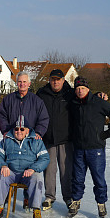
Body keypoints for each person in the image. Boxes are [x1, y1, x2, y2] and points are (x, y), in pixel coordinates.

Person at [0, 71, 49, 209]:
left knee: (29, 166)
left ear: (29, 84)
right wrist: (6, 130)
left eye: (24, 82)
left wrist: (38, 132)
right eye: (19, 82)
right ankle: (5, 198)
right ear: (16, 83)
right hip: (13, 136)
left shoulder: (36, 101)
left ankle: (28, 199)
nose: (22, 84)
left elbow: (43, 118)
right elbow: (1, 114)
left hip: (30, 138)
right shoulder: (8, 99)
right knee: (11, 165)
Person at [68, 76, 110, 218]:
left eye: (82, 88)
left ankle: (101, 203)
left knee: (98, 178)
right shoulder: (73, 103)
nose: (80, 91)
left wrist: (108, 133)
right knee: (77, 178)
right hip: (78, 148)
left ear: (88, 89)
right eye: (77, 89)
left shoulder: (98, 102)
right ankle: (75, 202)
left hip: (95, 149)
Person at [0, 115, 50, 218]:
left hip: (28, 173)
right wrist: (3, 165)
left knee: (37, 177)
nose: (19, 131)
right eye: (16, 129)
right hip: (11, 173)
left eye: (22, 129)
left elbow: (45, 158)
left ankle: (36, 210)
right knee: (0, 175)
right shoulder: (7, 140)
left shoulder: (36, 141)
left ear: (27, 130)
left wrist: (33, 168)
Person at [36, 69, 74, 210]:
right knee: (49, 170)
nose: (55, 82)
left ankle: (68, 197)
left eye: (58, 79)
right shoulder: (42, 93)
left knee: (66, 170)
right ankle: (49, 197)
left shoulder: (70, 94)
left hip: (66, 139)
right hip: (49, 138)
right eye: (53, 79)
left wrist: (99, 96)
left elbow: (85, 98)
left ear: (63, 80)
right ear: (49, 80)